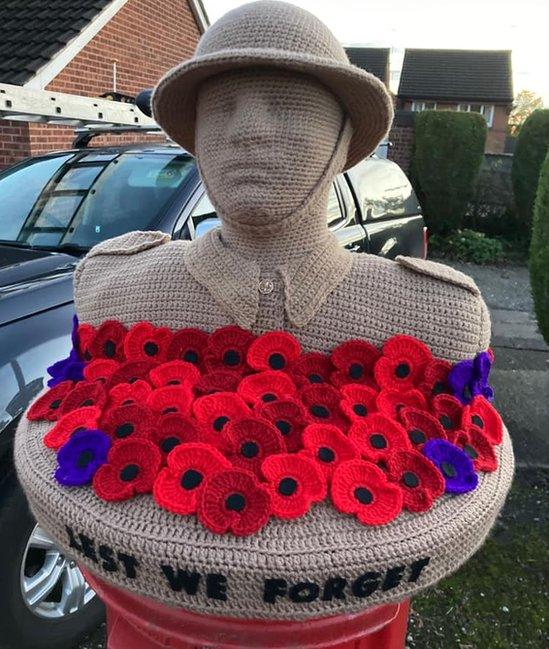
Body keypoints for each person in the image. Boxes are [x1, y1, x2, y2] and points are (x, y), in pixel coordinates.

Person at [14, 0, 514, 624]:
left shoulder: (436, 314)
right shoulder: (115, 287)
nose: (247, 131)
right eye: (219, 111)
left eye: (285, 108)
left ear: (343, 144)